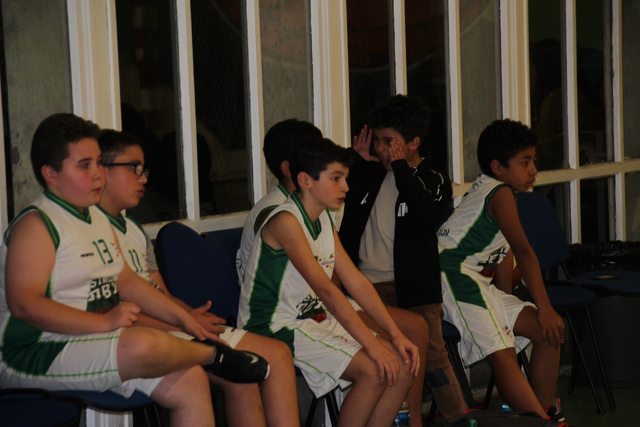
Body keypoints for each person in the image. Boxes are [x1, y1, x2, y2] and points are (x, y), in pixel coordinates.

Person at [0, 113, 268, 427]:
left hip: (90, 340)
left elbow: (126, 281)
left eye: (98, 163)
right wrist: (105, 323)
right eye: (84, 166)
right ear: (51, 174)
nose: (98, 174)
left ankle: (203, 354)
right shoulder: (37, 225)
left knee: (191, 380)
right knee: (142, 343)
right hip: (33, 351)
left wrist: (185, 318)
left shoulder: (96, 217)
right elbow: (25, 305)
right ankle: (213, 356)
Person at [97, 129, 298, 427]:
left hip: (172, 324)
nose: (143, 178)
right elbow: (117, 310)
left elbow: (161, 294)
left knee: (272, 356)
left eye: (144, 170)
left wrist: (190, 315)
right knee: (240, 370)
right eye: (133, 168)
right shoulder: (93, 232)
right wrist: (185, 322)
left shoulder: (135, 230)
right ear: (102, 171)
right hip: (140, 335)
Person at [237, 118, 428, 424]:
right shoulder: (285, 221)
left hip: (310, 317)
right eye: (336, 178)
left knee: (401, 365)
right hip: (274, 325)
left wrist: (394, 334)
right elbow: (326, 290)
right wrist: (372, 345)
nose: (346, 187)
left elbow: (355, 281)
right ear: (305, 180)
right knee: (374, 369)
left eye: (346, 178)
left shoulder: (323, 217)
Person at [338, 94, 468, 420]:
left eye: (390, 142)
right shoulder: (370, 174)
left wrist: (400, 168)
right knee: (383, 358)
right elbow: (342, 209)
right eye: (378, 141)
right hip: (369, 287)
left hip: (415, 288)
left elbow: (426, 214)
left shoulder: (432, 178)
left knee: (433, 359)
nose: (382, 149)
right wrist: (354, 161)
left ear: (413, 143)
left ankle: (459, 419)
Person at [437, 119, 566, 422]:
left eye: (533, 160)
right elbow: (524, 251)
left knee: (547, 333)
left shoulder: (500, 191)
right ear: (498, 167)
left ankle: (542, 416)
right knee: (503, 350)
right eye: (525, 162)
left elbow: (504, 253)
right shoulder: (500, 192)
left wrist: (506, 305)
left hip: (476, 281)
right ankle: (542, 422)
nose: (533, 170)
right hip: (451, 275)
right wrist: (545, 307)